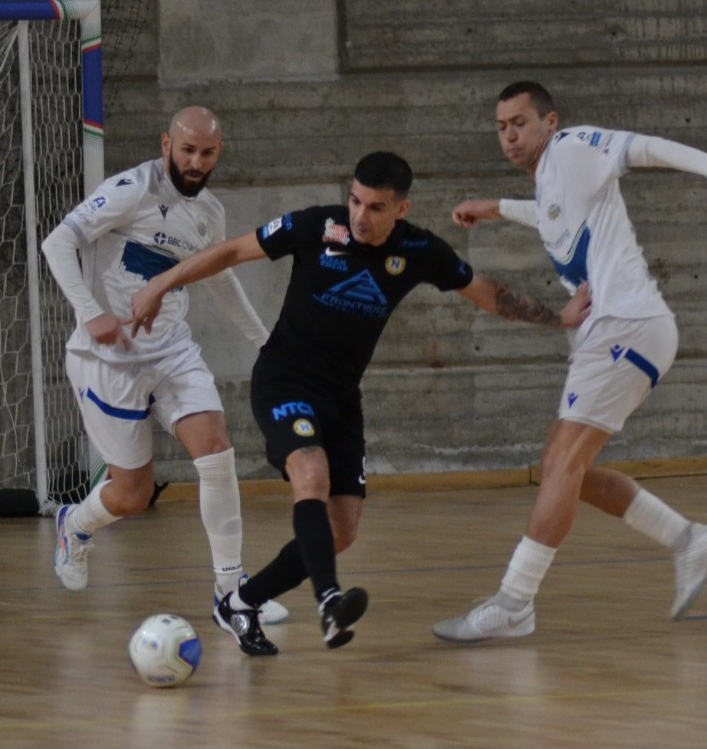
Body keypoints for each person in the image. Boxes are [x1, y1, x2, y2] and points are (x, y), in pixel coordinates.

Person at [129, 151, 589, 655]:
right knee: (311, 475)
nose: (360, 216)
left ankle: (240, 602)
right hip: (284, 379)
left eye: (375, 207)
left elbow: (487, 293)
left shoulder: (418, 251)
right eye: (355, 201)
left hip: (342, 398)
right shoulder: (318, 228)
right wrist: (162, 283)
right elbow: (232, 252)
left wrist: (559, 318)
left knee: (342, 529)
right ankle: (328, 600)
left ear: (401, 209)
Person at [431, 81, 707, 642]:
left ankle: (515, 601)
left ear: (550, 122)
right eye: (501, 126)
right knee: (567, 471)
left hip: (628, 325)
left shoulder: (573, 147)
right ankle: (687, 538)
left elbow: (647, 147)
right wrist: (495, 209)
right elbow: (553, 215)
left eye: (520, 122)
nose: (510, 135)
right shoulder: (553, 181)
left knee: (562, 465)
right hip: (610, 332)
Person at [39, 106, 290, 626]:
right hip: (109, 358)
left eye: (208, 153)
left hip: (173, 351)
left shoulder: (209, 213)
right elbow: (57, 241)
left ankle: (231, 593)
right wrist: (91, 315)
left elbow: (220, 278)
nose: (196, 161)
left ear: (219, 153)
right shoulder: (133, 189)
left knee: (217, 450)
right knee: (132, 495)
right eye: (187, 150)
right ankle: (76, 524)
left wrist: (266, 343)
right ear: (166, 145)